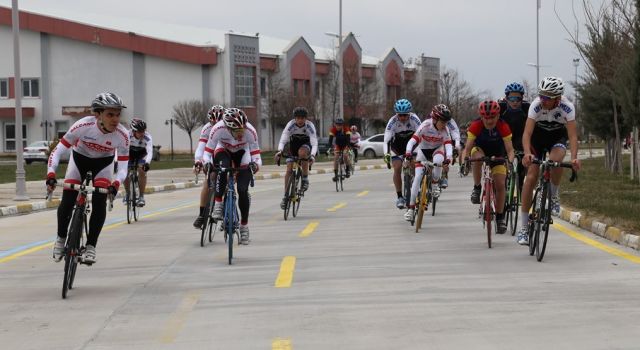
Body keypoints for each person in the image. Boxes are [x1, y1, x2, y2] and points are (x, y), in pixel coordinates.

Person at [47, 92, 129, 263]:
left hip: (103, 165)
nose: (115, 119)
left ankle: (91, 245)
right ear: (98, 114)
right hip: (79, 161)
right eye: (110, 114)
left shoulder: (122, 135)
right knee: (68, 201)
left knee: (100, 201)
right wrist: (51, 173)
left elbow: (122, 168)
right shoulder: (82, 125)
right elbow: (58, 150)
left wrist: (115, 184)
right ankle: (61, 238)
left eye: (118, 114)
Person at [517, 76, 581, 245]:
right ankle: (523, 228)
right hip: (537, 140)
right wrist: (526, 153)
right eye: (541, 95)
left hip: (556, 139)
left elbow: (573, 136)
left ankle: (553, 195)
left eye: (547, 97)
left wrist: (574, 158)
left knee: (556, 160)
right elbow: (527, 134)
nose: (543, 100)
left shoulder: (567, 108)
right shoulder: (536, 105)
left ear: (558, 98)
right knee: (530, 177)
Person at [202, 108, 261, 245]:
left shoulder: (250, 131)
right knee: (222, 168)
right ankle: (218, 204)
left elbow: (256, 156)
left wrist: (255, 165)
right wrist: (206, 164)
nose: (240, 133)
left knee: (242, 190)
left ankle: (244, 227)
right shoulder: (218, 129)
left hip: (243, 152)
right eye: (236, 131)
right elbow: (207, 152)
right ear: (228, 128)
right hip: (223, 150)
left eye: (242, 129)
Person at [461, 100, 515, 234]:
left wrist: (510, 161)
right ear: (481, 116)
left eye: (492, 117)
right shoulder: (476, 125)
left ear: (498, 116)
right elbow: (467, 149)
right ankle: (477, 187)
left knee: (500, 184)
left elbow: (510, 150)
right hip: (481, 151)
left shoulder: (503, 126)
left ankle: (500, 218)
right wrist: (464, 162)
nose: (489, 121)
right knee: (476, 156)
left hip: (498, 154)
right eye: (486, 117)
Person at [403, 105, 453, 221]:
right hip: (423, 150)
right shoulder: (425, 125)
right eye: (443, 121)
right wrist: (408, 152)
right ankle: (410, 209)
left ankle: (435, 184)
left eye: (446, 122)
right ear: (435, 119)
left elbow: (448, 145)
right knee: (417, 178)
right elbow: (412, 140)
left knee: (438, 161)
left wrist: (448, 158)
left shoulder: (445, 130)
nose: (445, 124)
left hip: (437, 149)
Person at [275, 107, 318, 209]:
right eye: (298, 118)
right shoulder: (290, 125)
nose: (300, 120)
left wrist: (312, 155)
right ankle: (285, 196)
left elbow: (314, 142)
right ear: (295, 118)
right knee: (289, 169)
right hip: (293, 146)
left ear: (305, 119)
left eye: (302, 118)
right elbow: (283, 139)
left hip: (306, 145)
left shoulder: (310, 126)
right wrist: (280, 151)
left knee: (302, 153)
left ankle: (305, 178)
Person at [382, 98, 422, 209]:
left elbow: (421, 136)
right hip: (397, 147)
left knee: (414, 164)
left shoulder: (414, 119)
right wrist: (386, 154)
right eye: (400, 115)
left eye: (405, 115)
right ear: (396, 114)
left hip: (412, 145)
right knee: (397, 167)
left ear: (409, 113)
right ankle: (400, 197)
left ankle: (416, 185)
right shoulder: (392, 122)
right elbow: (386, 141)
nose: (403, 118)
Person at [192, 105, 225, 229]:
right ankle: (201, 215)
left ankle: (227, 212)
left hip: (224, 153)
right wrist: (198, 161)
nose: (215, 125)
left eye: (218, 122)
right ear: (209, 121)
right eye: (212, 122)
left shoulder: (227, 127)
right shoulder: (206, 129)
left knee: (227, 179)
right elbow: (201, 147)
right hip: (210, 154)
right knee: (207, 180)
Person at [499, 82, 531, 192]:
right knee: (501, 162)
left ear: (522, 99)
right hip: (504, 138)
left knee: (522, 163)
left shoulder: (527, 108)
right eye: (512, 99)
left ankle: (520, 185)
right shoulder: (500, 107)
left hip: (520, 138)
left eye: (518, 99)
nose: (515, 102)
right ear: (506, 98)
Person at [123, 118, 152, 207]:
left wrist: (147, 163)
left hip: (141, 154)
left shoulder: (147, 137)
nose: (142, 133)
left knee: (142, 171)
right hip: (129, 153)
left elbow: (150, 151)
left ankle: (141, 196)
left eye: (143, 131)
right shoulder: (126, 135)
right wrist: (117, 161)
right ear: (134, 131)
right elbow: (119, 149)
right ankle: (128, 193)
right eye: (139, 131)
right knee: (124, 172)